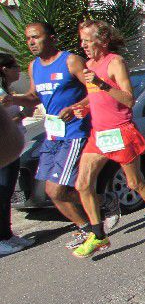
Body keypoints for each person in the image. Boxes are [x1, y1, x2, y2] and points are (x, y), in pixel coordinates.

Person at [71, 20, 145, 258]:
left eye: (87, 40)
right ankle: (98, 235)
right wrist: (82, 106)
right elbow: (94, 96)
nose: (83, 45)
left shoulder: (115, 62)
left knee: (134, 184)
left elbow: (128, 99)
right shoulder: (88, 64)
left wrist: (102, 84)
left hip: (120, 132)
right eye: (82, 41)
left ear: (103, 41)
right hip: (99, 134)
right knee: (82, 184)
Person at [1, 22, 103, 249]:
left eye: (36, 37)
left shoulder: (71, 61)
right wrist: (13, 99)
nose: (31, 42)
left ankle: (94, 224)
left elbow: (96, 88)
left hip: (74, 132)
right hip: (53, 135)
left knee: (56, 190)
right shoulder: (33, 66)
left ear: (52, 38)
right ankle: (92, 219)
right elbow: (34, 97)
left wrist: (76, 106)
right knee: (53, 191)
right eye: (28, 38)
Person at [0, 54, 34, 255]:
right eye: (14, 66)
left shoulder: (6, 91)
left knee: (6, 194)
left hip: (11, 149)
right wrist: (23, 114)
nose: (18, 69)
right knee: (2, 193)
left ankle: (7, 235)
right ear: (3, 69)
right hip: (4, 149)